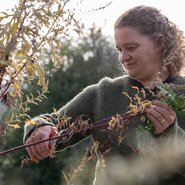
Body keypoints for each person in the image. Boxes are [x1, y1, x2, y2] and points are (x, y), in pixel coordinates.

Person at [24, 5, 185, 185]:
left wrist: (171, 134)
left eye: (131, 47)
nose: (123, 57)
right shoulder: (102, 93)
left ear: (159, 43)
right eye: (119, 50)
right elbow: (50, 121)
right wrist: (39, 129)